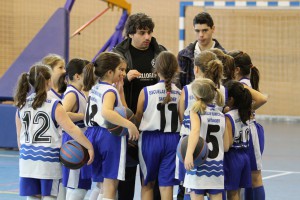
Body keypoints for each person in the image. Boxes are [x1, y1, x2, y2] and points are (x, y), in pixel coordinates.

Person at [14, 63, 94, 200]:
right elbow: (72, 129)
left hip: (26, 160)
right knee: (49, 197)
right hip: (47, 161)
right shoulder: (54, 105)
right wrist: (89, 146)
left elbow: (19, 140)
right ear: (48, 81)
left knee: (33, 197)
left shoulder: (21, 105)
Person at [112, 12, 166, 200]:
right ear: (130, 34)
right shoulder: (118, 54)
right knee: (126, 175)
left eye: (149, 32)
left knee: (153, 178)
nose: (147, 37)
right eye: (142, 33)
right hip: (128, 122)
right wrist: (125, 79)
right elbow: (107, 84)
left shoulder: (160, 52)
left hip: (153, 125)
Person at [83, 52, 140, 200]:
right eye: (120, 70)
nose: (123, 73)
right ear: (110, 72)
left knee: (101, 185)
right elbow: (106, 112)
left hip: (92, 134)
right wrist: (130, 126)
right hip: (108, 136)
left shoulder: (95, 87)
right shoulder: (109, 91)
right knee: (110, 186)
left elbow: (125, 112)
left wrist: (121, 94)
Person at [177, 50, 225, 199]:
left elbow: (182, 119)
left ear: (196, 69)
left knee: (189, 189)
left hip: (192, 147)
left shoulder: (188, 89)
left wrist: (189, 152)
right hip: (216, 156)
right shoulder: (222, 90)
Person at [135, 51, 181, 200]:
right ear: (176, 70)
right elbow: (182, 119)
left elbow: (137, 117)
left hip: (150, 141)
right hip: (173, 140)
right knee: (167, 185)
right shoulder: (181, 93)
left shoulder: (146, 92)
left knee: (147, 184)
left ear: (156, 70)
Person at [227, 50, 265, 200]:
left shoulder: (241, 85)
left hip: (251, 132)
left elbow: (262, 99)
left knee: (255, 177)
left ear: (237, 69)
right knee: (249, 177)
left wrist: (247, 109)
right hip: (245, 131)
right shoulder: (243, 83)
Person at [183, 78, 230, 200]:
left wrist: (188, 154)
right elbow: (225, 146)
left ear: (197, 96)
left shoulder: (196, 112)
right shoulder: (221, 115)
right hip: (216, 168)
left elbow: (195, 131)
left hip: (199, 166)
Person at [61, 58, 92, 200]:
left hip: (80, 139)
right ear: (77, 76)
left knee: (82, 186)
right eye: (86, 73)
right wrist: (83, 115)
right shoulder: (72, 93)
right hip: (74, 142)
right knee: (76, 186)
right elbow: (63, 114)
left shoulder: (79, 92)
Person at [178, 12, 226, 88]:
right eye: (197, 31)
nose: (201, 35)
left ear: (213, 29)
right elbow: (179, 85)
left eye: (205, 30)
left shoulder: (224, 56)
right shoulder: (183, 56)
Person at [223, 80, 253, 200]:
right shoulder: (246, 113)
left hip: (233, 157)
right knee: (237, 193)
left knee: (232, 194)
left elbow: (227, 144)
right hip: (245, 156)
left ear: (230, 99)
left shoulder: (229, 117)